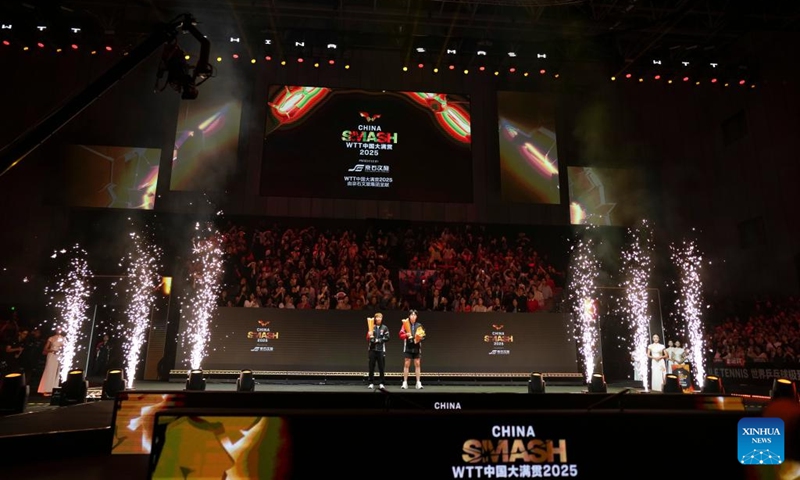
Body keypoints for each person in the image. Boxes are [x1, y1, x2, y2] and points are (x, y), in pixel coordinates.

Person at [398, 310, 425, 390]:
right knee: (407, 364)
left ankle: (418, 382)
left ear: (416, 317)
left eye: (414, 315)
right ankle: (405, 382)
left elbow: (423, 336)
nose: (413, 316)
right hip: (408, 347)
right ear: (409, 316)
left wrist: (419, 338)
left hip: (417, 347)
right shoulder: (405, 324)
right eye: (411, 315)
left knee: (417, 364)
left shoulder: (419, 325)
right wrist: (407, 334)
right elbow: (400, 335)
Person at [38, 327, 65, 396]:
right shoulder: (51, 338)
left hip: (58, 356)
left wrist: (60, 351)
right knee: (49, 370)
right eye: (57, 329)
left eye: (60, 329)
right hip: (51, 355)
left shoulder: (63, 338)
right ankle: (46, 388)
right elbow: (45, 348)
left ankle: (54, 388)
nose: (58, 331)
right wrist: (53, 350)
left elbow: (65, 348)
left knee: (56, 371)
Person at [366, 312, 390, 389]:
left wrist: (378, 340)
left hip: (380, 350)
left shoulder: (384, 328)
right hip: (372, 350)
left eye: (380, 317)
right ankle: (371, 382)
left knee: (381, 367)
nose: (378, 319)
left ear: (382, 318)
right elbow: (367, 338)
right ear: (375, 319)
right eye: (377, 317)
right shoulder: (371, 327)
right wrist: (369, 334)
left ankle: (382, 383)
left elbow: (387, 338)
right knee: (371, 367)